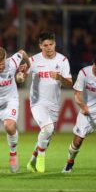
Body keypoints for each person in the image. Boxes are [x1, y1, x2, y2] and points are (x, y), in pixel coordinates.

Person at [25, 32, 73, 173]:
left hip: (54, 104)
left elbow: (69, 83)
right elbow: (21, 76)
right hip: (37, 101)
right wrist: (20, 75)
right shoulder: (33, 60)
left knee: (47, 134)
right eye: (45, 45)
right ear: (40, 46)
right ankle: (41, 156)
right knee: (48, 129)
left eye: (51, 44)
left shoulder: (63, 61)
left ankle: (31, 162)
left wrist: (59, 77)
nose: (49, 48)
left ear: (55, 44)